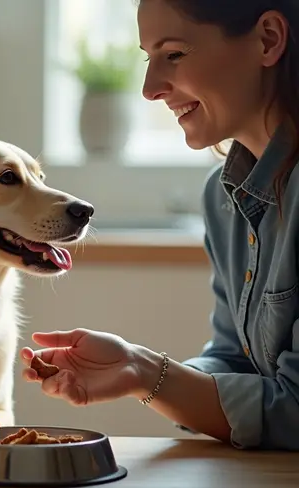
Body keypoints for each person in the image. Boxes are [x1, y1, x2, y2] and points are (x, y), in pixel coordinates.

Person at [20, 0, 299, 451]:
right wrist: (131, 367)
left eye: (174, 54)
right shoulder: (222, 197)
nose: (149, 88)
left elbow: (294, 411)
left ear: (268, 39)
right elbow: (235, 363)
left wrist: (149, 371)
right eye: (148, 58)